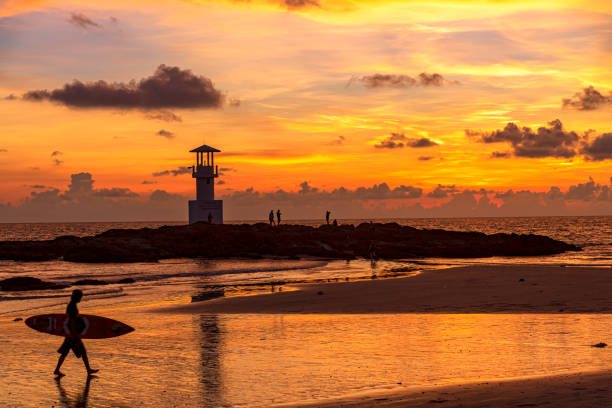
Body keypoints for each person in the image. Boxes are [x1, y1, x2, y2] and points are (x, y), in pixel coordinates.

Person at [54, 289, 98, 377]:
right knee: (82, 351)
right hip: (72, 334)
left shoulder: (71, 305)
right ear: (76, 297)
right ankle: (88, 370)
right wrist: (75, 335)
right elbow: (72, 321)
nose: (81, 299)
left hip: (70, 333)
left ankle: (57, 370)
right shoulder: (72, 306)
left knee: (65, 352)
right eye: (80, 297)